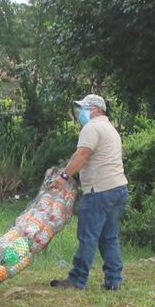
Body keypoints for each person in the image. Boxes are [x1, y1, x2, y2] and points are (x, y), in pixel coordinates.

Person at [50, 94, 129, 291]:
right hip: (118, 188)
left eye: (83, 108)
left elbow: (82, 155)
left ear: (96, 109)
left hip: (99, 191)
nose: (79, 113)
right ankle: (113, 280)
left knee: (88, 237)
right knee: (109, 237)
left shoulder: (91, 127)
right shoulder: (110, 129)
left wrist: (64, 176)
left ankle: (77, 279)